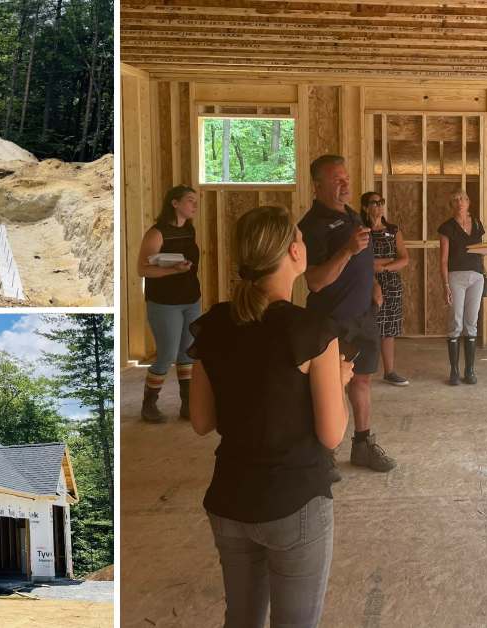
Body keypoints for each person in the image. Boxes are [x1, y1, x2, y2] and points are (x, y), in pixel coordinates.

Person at [188, 205, 350, 628]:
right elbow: (332, 435)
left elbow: (202, 421)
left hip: (228, 501)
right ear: (294, 252)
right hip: (293, 501)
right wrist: (339, 381)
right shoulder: (312, 330)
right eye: (300, 237)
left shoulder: (213, 325)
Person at [299, 154, 395, 473]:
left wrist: (373, 288)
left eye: (347, 178)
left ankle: (363, 445)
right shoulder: (310, 227)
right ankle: (324, 454)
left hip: (363, 317)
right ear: (317, 186)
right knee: (329, 387)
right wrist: (348, 250)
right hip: (331, 320)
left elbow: (361, 262)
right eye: (337, 179)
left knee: (362, 381)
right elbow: (314, 282)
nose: (345, 184)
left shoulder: (353, 215)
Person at [137, 185, 201, 422]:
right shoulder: (157, 233)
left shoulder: (189, 230)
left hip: (191, 299)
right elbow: (141, 269)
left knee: (188, 354)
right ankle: (149, 405)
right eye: (190, 201)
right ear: (174, 203)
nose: (194, 205)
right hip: (165, 303)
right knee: (166, 354)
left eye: (196, 201)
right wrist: (173, 270)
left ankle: (187, 405)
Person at [437, 189, 487, 386]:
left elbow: (480, 251)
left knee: (472, 321)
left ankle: (469, 370)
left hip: (476, 275)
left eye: (463, 198)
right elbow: (443, 260)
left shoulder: (477, 224)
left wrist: (486, 260)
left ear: (469, 202)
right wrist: (445, 285)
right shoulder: (446, 228)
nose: (460, 202)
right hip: (456, 276)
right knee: (456, 320)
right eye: (455, 200)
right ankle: (454, 371)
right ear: (452, 205)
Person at [361, 191, 410, 386]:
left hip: (391, 284)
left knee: (388, 330)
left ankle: (389, 371)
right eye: (374, 203)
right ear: (365, 207)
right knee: (366, 328)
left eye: (381, 202)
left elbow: (404, 258)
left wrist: (384, 266)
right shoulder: (362, 230)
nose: (379, 206)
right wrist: (383, 262)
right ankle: (361, 373)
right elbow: (361, 261)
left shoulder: (393, 230)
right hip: (365, 283)